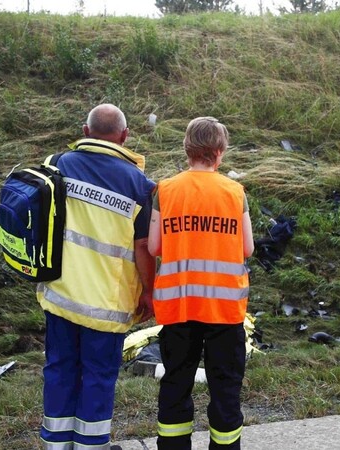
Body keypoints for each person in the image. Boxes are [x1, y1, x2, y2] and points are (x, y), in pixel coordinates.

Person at [38, 103, 156, 450]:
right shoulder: (139, 186)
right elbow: (144, 248)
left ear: (86, 132)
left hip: (60, 295)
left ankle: (56, 445)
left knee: (59, 369)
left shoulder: (58, 165)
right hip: (106, 305)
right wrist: (149, 292)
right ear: (124, 137)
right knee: (99, 377)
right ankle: (91, 447)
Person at [147, 117, 254, 450]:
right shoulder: (234, 192)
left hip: (179, 307)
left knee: (176, 384)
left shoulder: (165, 190)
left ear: (187, 149)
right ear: (219, 152)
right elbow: (247, 248)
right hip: (224, 311)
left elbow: (153, 247)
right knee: (225, 389)